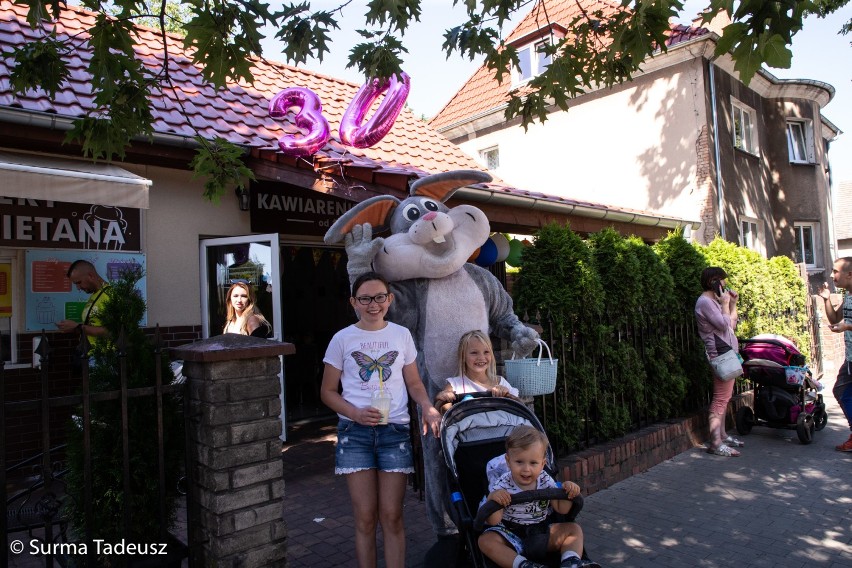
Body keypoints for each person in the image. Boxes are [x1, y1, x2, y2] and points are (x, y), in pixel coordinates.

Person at [320, 271, 442, 568]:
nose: (373, 305)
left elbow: (413, 383)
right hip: (354, 434)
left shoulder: (401, 335)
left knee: (392, 515)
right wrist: (355, 413)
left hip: (394, 433)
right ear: (354, 302)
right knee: (364, 519)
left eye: (379, 298)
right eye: (365, 299)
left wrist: (427, 405)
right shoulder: (342, 339)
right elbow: (327, 392)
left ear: (390, 299)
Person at [478, 425, 598, 568]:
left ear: (542, 464)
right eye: (519, 462)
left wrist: (568, 492)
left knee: (574, 529)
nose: (526, 469)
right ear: (508, 461)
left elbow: (562, 509)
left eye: (533, 463)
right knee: (485, 541)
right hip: (511, 535)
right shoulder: (502, 484)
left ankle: (571, 561)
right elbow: (493, 521)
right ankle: (522, 564)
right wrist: (494, 498)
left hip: (542, 532)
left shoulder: (545, 480)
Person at [695, 266, 745, 457]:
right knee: (720, 400)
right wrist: (724, 305)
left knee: (724, 398)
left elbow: (731, 324)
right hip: (720, 354)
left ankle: (722, 435)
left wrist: (732, 305)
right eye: (722, 280)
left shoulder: (714, 301)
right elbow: (723, 324)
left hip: (727, 353)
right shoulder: (705, 302)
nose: (725, 284)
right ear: (713, 281)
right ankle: (715, 443)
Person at [434, 329, 520, 413]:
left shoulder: (500, 382)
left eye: (486, 352)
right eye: (474, 353)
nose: (481, 357)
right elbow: (445, 411)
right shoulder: (454, 385)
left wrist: (505, 392)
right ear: (463, 356)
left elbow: (518, 408)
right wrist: (443, 397)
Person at [817, 257, 852, 452]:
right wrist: (826, 299)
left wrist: (847, 326)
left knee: (842, 390)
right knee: (840, 390)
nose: (832, 275)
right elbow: (834, 318)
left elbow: (844, 323)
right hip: (850, 358)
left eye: (835, 271)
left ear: (849, 274)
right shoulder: (847, 295)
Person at [56, 260, 110, 349]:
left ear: (91, 276)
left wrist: (78, 328)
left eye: (79, 282)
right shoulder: (95, 294)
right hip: (90, 353)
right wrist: (74, 327)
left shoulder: (109, 295)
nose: (78, 288)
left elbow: (113, 330)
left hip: (104, 356)